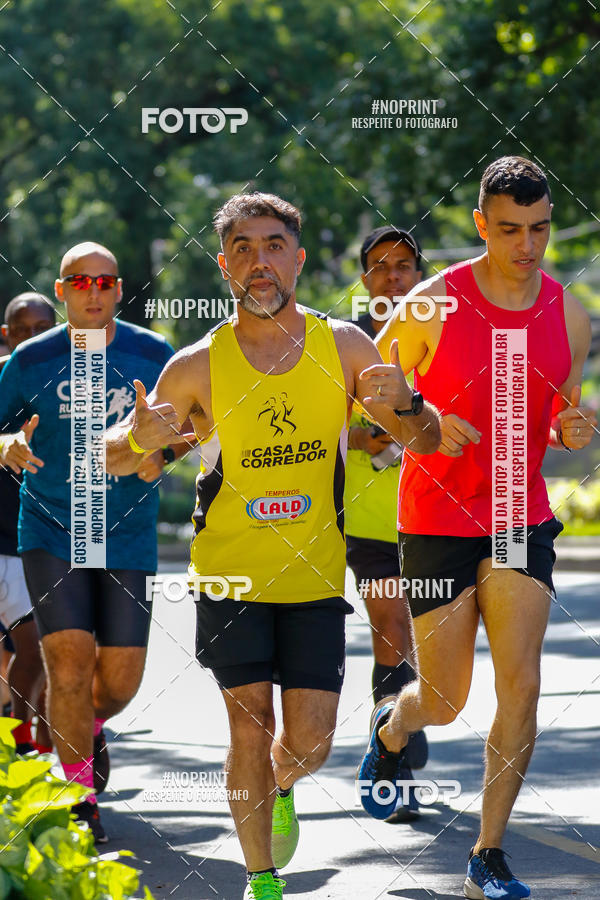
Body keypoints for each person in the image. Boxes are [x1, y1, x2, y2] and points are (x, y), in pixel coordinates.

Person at [105, 192, 441, 900]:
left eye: (274, 245)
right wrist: (140, 436)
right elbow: (125, 459)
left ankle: (281, 786)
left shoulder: (346, 346)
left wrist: (409, 402)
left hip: (316, 577)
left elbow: (424, 439)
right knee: (249, 725)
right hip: (228, 577)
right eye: (244, 249)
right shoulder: (195, 366)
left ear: (300, 257)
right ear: (225, 266)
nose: (261, 262)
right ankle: (262, 880)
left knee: (310, 744)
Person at [357, 156, 597, 899]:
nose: (528, 246)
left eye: (541, 229)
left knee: (521, 686)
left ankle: (486, 856)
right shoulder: (431, 305)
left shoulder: (570, 311)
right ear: (481, 225)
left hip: (518, 516)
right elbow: (370, 408)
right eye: (511, 230)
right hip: (435, 520)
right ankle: (392, 730)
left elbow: (558, 409)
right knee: (446, 697)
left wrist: (570, 426)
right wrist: (423, 418)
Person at [0, 243, 176, 843]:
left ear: (119, 288)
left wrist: (167, 453)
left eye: (103, 280)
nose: (92, 290)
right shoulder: (28, 360)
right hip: (49, 528)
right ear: (61, 289)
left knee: (119, 682)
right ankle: (79, 798)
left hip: (124, 532)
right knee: (68, 665)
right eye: (80, 281)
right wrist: (6, 447)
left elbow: (194, 423)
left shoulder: (154, 354)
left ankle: (88, 724)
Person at [344, 227, 428, 822]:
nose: (392, 276)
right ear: (365, 278)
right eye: (379, 266)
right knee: (392, 625)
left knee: (427, 640)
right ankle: (393, 764)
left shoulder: (444, 342)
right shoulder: (345, 346)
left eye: (403, 265)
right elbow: (315, 429)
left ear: (420, 274)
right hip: (370, 522)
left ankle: (398, 724)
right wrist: (359, 434)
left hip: (436, 517)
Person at [0, 293, 56, 752]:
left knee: (35, 652)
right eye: (24, 330)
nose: (33, 339)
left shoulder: (70, 389)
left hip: (31, 548)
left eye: (44, 329)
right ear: (7, 335)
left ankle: (25, 745)